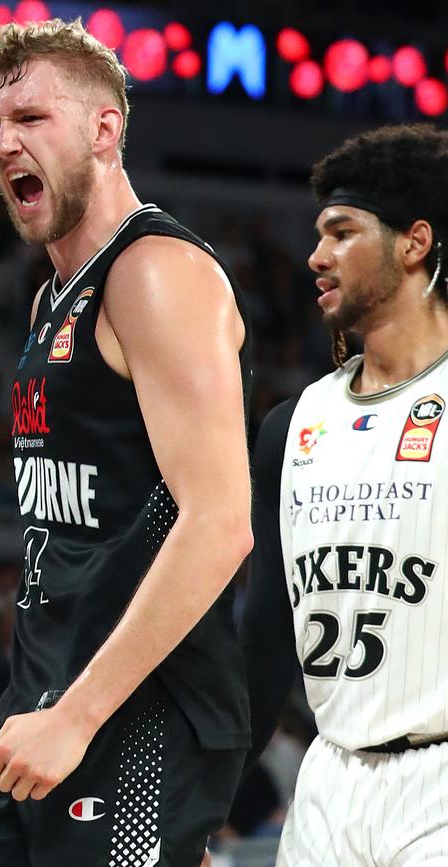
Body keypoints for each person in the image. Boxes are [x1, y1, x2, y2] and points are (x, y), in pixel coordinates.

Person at [0, 17, 253, 867]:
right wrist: (12, 720)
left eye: (31, 118)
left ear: (105, 129)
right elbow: (71, 552)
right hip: (54, 707)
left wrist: (75, 715)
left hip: (144, 718)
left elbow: (221, 522)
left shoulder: (155, 273)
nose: (6, 143)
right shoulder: (51, 300)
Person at [241, 123, 448, 866]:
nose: (315, 256)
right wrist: (214, 796)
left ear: (414, 242)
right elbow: (264, 630)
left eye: (341, 232)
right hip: (328, 781)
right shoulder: (290, 426)